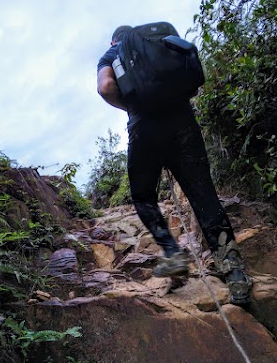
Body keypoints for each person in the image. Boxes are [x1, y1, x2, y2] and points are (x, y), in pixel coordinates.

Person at [97, 24, 253, 305]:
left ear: (113, 40)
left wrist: (131, 107)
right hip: (183, 124)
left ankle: (173, 254)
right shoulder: (159, 41)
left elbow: (106, 86)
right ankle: (235, 273)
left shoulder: (112, 53)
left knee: (143, 196)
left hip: (144, 129)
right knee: (204, 195)